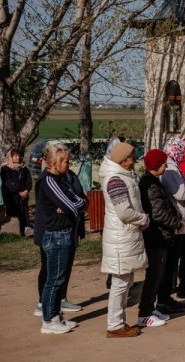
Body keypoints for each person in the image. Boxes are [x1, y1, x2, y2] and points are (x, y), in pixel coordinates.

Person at [34, 143, 86, 334]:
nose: (67, 163)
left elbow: (81, 201)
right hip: (55, 234)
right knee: (53, 279)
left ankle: (56, 316)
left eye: (67, 160)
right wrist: (70, 207)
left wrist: (71, 206)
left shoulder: (62, 179)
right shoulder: (48, 181)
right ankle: (48, 320)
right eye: (64, 161)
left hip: (65, 232)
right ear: (54, 162)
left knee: (60, 278)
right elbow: (71, 206)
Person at [101, 142, 150, 337]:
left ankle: (119, 322)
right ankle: (114, 326)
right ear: (122, 160)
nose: (134, 160)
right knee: (120, 284)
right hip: (120, 238)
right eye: (131, 157)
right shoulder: (115, 180)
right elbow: (124, 212)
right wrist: (144, 218)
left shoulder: (122, 176)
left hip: (125, 236)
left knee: (125, 282)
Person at [138, 149, 182, 325]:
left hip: (161, 235)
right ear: (156, 166)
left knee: (159, 274)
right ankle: (145, 312)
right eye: (164, 163)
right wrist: (176, 223)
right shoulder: (150, 184)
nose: (166, 165)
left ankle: (151, 308)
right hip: (156, 235)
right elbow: (158, 213)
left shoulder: (154, 182)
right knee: (154, 275)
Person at [161, 137, 185, 302]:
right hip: (178, 218)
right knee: (175, 257)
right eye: (181, 149)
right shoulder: (169, 168)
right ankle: (169, 292)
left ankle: (180, 286)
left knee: (184, 254)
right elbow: (181, 193)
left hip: (182, 216)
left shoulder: (173, 165)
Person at [2, 148, 32, 237]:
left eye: (19, 155)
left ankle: (26, 229)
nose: (18, 157)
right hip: (11, 196)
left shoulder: (24, 168)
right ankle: (15, 232)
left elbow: (28, 180)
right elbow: (8, 181)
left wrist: (27, 190)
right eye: (15, 155)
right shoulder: (5, 169)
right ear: (10, 157)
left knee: (24, 212)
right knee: (14, 212)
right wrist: (18, 191)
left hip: (24, 195)